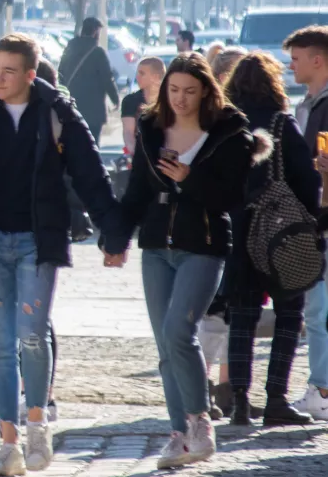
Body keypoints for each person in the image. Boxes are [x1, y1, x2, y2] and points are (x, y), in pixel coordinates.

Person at [0, 34, 119, 476]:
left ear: (30, 75)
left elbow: (92, 175)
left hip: (38, 242)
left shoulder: (57, 116)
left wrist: (114, 233)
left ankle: (37, 426)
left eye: (8, 71)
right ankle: (7, 442)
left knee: (32, 334)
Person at [102, 52, 268, 470]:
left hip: (205, 244)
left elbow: (233, 199)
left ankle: (199, 421)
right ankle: (179, 435)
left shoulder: (230, 132)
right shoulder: (150, 128)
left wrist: (188, 179)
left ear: (206, 91)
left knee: (180, 330)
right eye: (173, 90)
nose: (179, 99)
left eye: (189, 91)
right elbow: (137, 190)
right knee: (164, 345)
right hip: (156, 246)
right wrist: (117, 237)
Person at [222, 51, 319, 427]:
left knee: (242, 319)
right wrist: (310, 220)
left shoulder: (226, 125)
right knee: (288, 315)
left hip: (237, 232)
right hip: (281, 233)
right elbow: (306, 180)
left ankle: (241, 403)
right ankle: (276, 398)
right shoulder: (282, 123)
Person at [284, 25, 328, 420]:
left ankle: (322, 388)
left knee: (318, 311)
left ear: (318, 60)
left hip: (323, 220)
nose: (290, 65)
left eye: (296, 58)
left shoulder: (324, 106)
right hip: (317, 219)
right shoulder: (310, 103)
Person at [202, 45, 248, 419]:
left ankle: (219, 389)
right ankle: (218, 389)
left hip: (223, 227)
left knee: (218, 316)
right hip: (221, 229)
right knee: (219, 314)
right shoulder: (219, 120)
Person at [58, 17, 120, 145]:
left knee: (73, 145)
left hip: (71, 108)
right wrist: (115, 99)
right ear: (95, 32)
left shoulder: (69, 49)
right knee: (92, 145)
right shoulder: (98, 52)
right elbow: (107, 79)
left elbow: (61, 75)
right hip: (93, 110)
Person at [121, 57, 166, 155]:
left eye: (142, 73)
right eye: (137, 73)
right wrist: (135, 152)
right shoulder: (130, 100)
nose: (137, 77)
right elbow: (128, 132)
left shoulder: (169, 100)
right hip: (139, 152)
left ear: (156, 76)